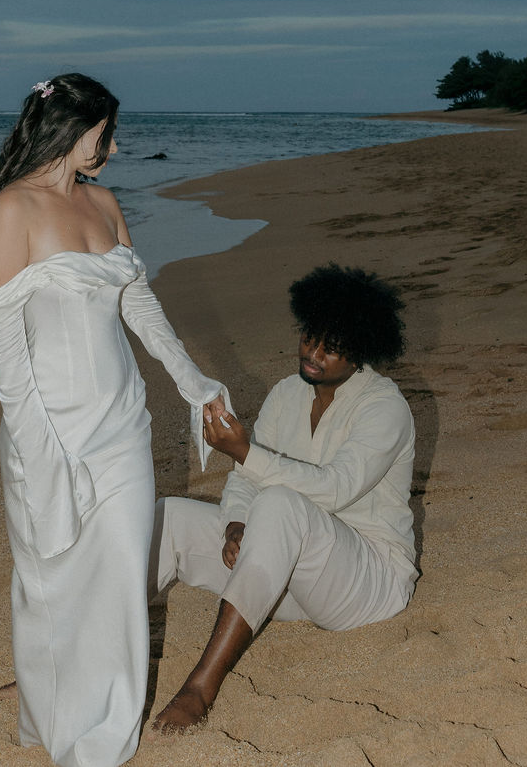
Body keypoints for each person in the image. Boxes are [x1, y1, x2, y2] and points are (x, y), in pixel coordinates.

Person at [0, 73, 228, 767]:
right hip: (47, 425)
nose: (113, 147)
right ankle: (49, 711)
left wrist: (193, 380)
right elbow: (5, 344)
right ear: (72, 129)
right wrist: (36, 444)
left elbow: (138, 305)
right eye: (105, 133)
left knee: (119, 572)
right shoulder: (13, 210)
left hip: (122, 422)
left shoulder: (105, 202)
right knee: (50, 577)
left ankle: (100, 744)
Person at [150, 262, 416, 733]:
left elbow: (333, 489)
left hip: (369, 583)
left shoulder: (385, 407)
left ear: (361, 353)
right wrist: (234, 521)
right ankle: (82, 663)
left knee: (279, 504)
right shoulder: (286, 393)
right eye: (309, 337)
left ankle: (200, 688)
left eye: (332, 348)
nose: (313, 354)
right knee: (168, 516)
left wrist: (246, 452)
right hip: (291, 582)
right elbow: (245, 482)